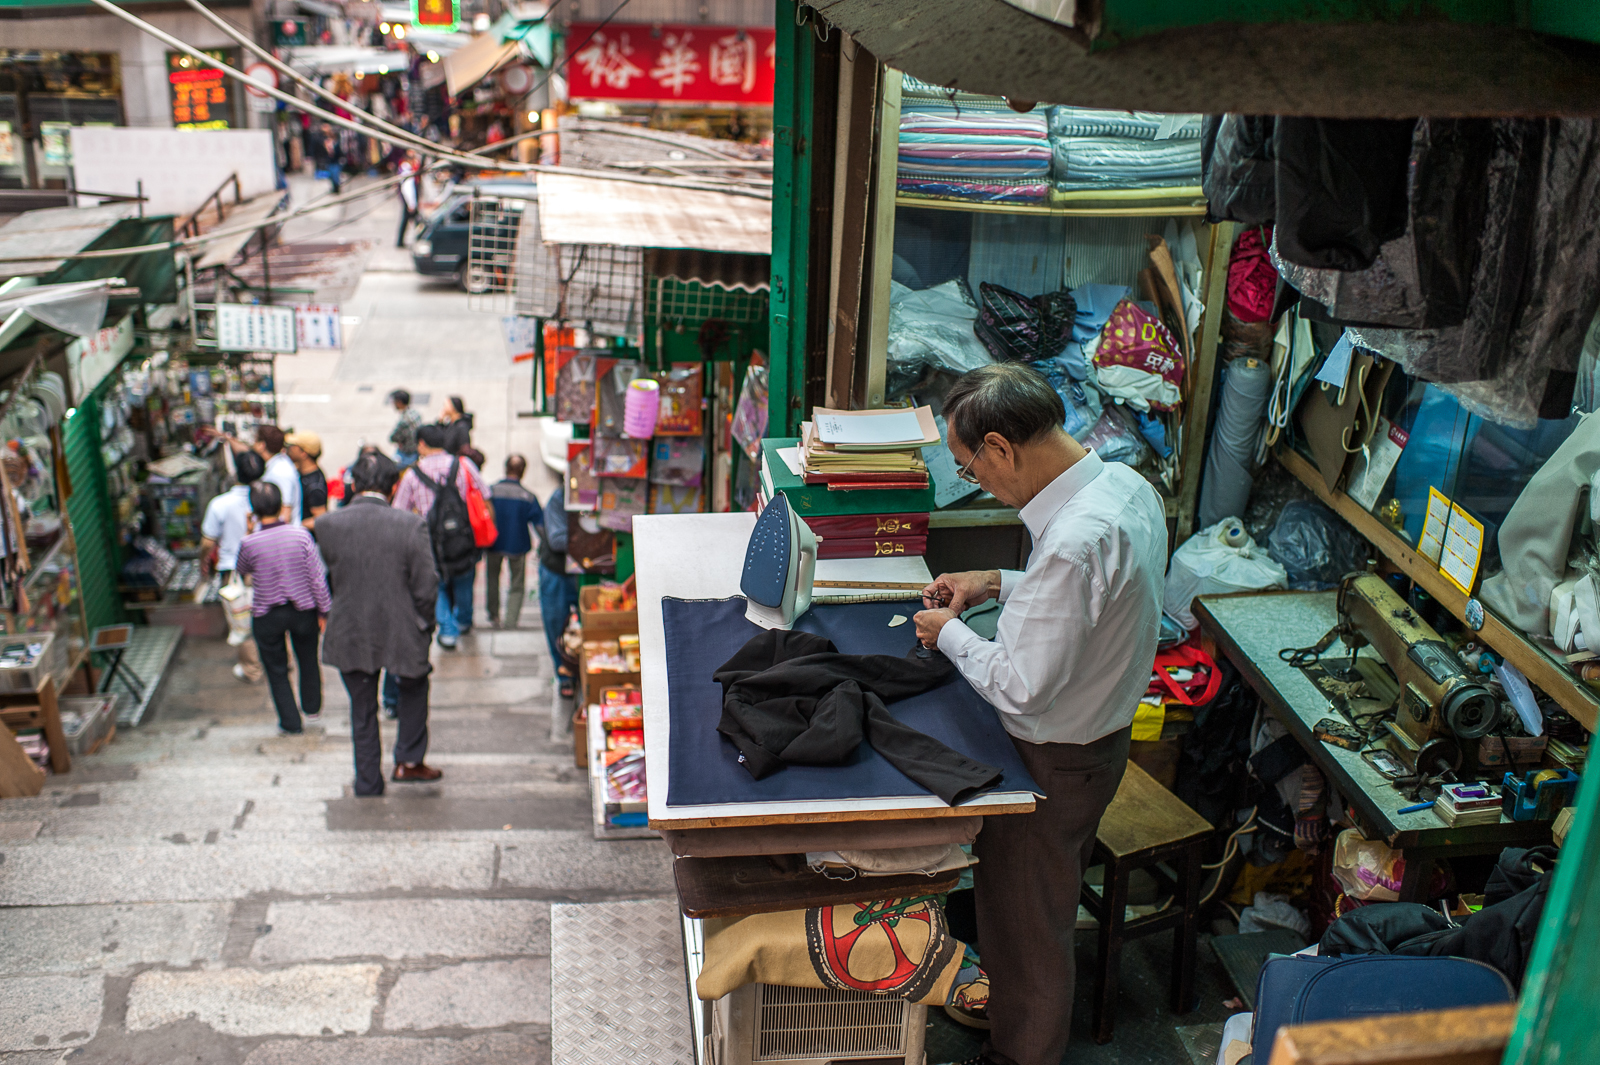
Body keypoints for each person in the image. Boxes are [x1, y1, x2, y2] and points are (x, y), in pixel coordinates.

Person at [910, 363, 1167, 1065]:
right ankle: (1020, 1018)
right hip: (1099, 742)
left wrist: (948, 633)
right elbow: (1089, 598)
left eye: (972, 467)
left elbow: (1021, 687)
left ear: (1000, 447)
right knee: (1039, 906)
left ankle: (1021, 1052)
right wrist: (994, 580)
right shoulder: (1125, 488)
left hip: (1054, 757)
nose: (978, 480)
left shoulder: (1075, 541)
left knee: (1027, 927)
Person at [316, 451, 442, 794]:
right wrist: (423, 622)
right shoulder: (410, 525)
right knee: (414, 688)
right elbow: (426, 583)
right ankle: (409, 761)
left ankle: (368, 780)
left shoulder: (327, 525)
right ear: (393, 485)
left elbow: (326, 579)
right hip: (402, 625)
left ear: (353, 483)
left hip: (350, 627)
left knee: (362, 707)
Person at [236, 482, 331, 736]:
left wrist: (248, 530)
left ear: (254, 510)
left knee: (276, 668)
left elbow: (242, 570)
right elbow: (316, 578)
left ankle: (290, 721)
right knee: (308, 658)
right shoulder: (300, 535)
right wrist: (324, 610)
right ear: (280, 506)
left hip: (267, 614)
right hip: (303, 610)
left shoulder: (249, 542)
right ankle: (311, 706)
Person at [392, 424, 487, 649]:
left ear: (422, 444)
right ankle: (464, 621)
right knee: (464, 579)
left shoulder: (412, 475)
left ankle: (447, 631)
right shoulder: (463, 465)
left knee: (437, 586)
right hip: (463, 538)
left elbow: (399, 512)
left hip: (430, 543)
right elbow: (485, 494)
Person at [200, 449, 267, 683]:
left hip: (234, 571)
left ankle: (252, 669)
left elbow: (207, 542)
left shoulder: (220, 504)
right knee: (271, 613)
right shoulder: (266, 499)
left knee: (242, 622)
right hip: (264, 567)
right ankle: (284, 661)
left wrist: (203, 564)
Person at [485, 454, 543, 630]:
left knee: (492, 579)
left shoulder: (491, 491)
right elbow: (540, 525)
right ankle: (511, 621)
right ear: (523, 472)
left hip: (493, 543)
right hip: (517, 544)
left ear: (505, 468)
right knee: (517, 584)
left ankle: (493, 615)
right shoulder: (528, 496)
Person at [537, 482, 579, 698]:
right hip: (557, 571)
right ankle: (565, 674)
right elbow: (556, 540)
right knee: (555, 624)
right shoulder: (558, 498)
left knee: (588, 624)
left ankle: (581, 667)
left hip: (584, 571)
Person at [253, 425, 302, 525]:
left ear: (261, 445)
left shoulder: (280, 472)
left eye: (255, 440)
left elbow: (285, 513)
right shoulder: (279, 464)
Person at [286, 430, 329, 529]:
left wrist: (296, 526)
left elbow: (320, 519)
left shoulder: (315, 485)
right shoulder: (300, 472)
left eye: (293, 446)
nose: (289, 448)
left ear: (303, 453)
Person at [389, 390, 423, 467]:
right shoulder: (416, 413)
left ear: (399, 402)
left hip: (408, 453)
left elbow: (392, 438)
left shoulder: (403, 421)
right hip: (417, 449)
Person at [396, 152, 420, 248]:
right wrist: (412, 204)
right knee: (414, 221)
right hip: (409, 202)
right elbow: (408, 189)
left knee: (409, 221)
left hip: (407, 201)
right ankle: (420, 239)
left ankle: (400, 241)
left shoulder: (403, 169)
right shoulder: (407, 171)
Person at [313, 122, 343, 194]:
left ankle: (337, 187)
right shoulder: (325, 141)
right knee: (331, 175)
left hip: (335, 162)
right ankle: (334, 187)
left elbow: (339, 152)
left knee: (335, 175)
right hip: (329, 161)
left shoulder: (336, 143)